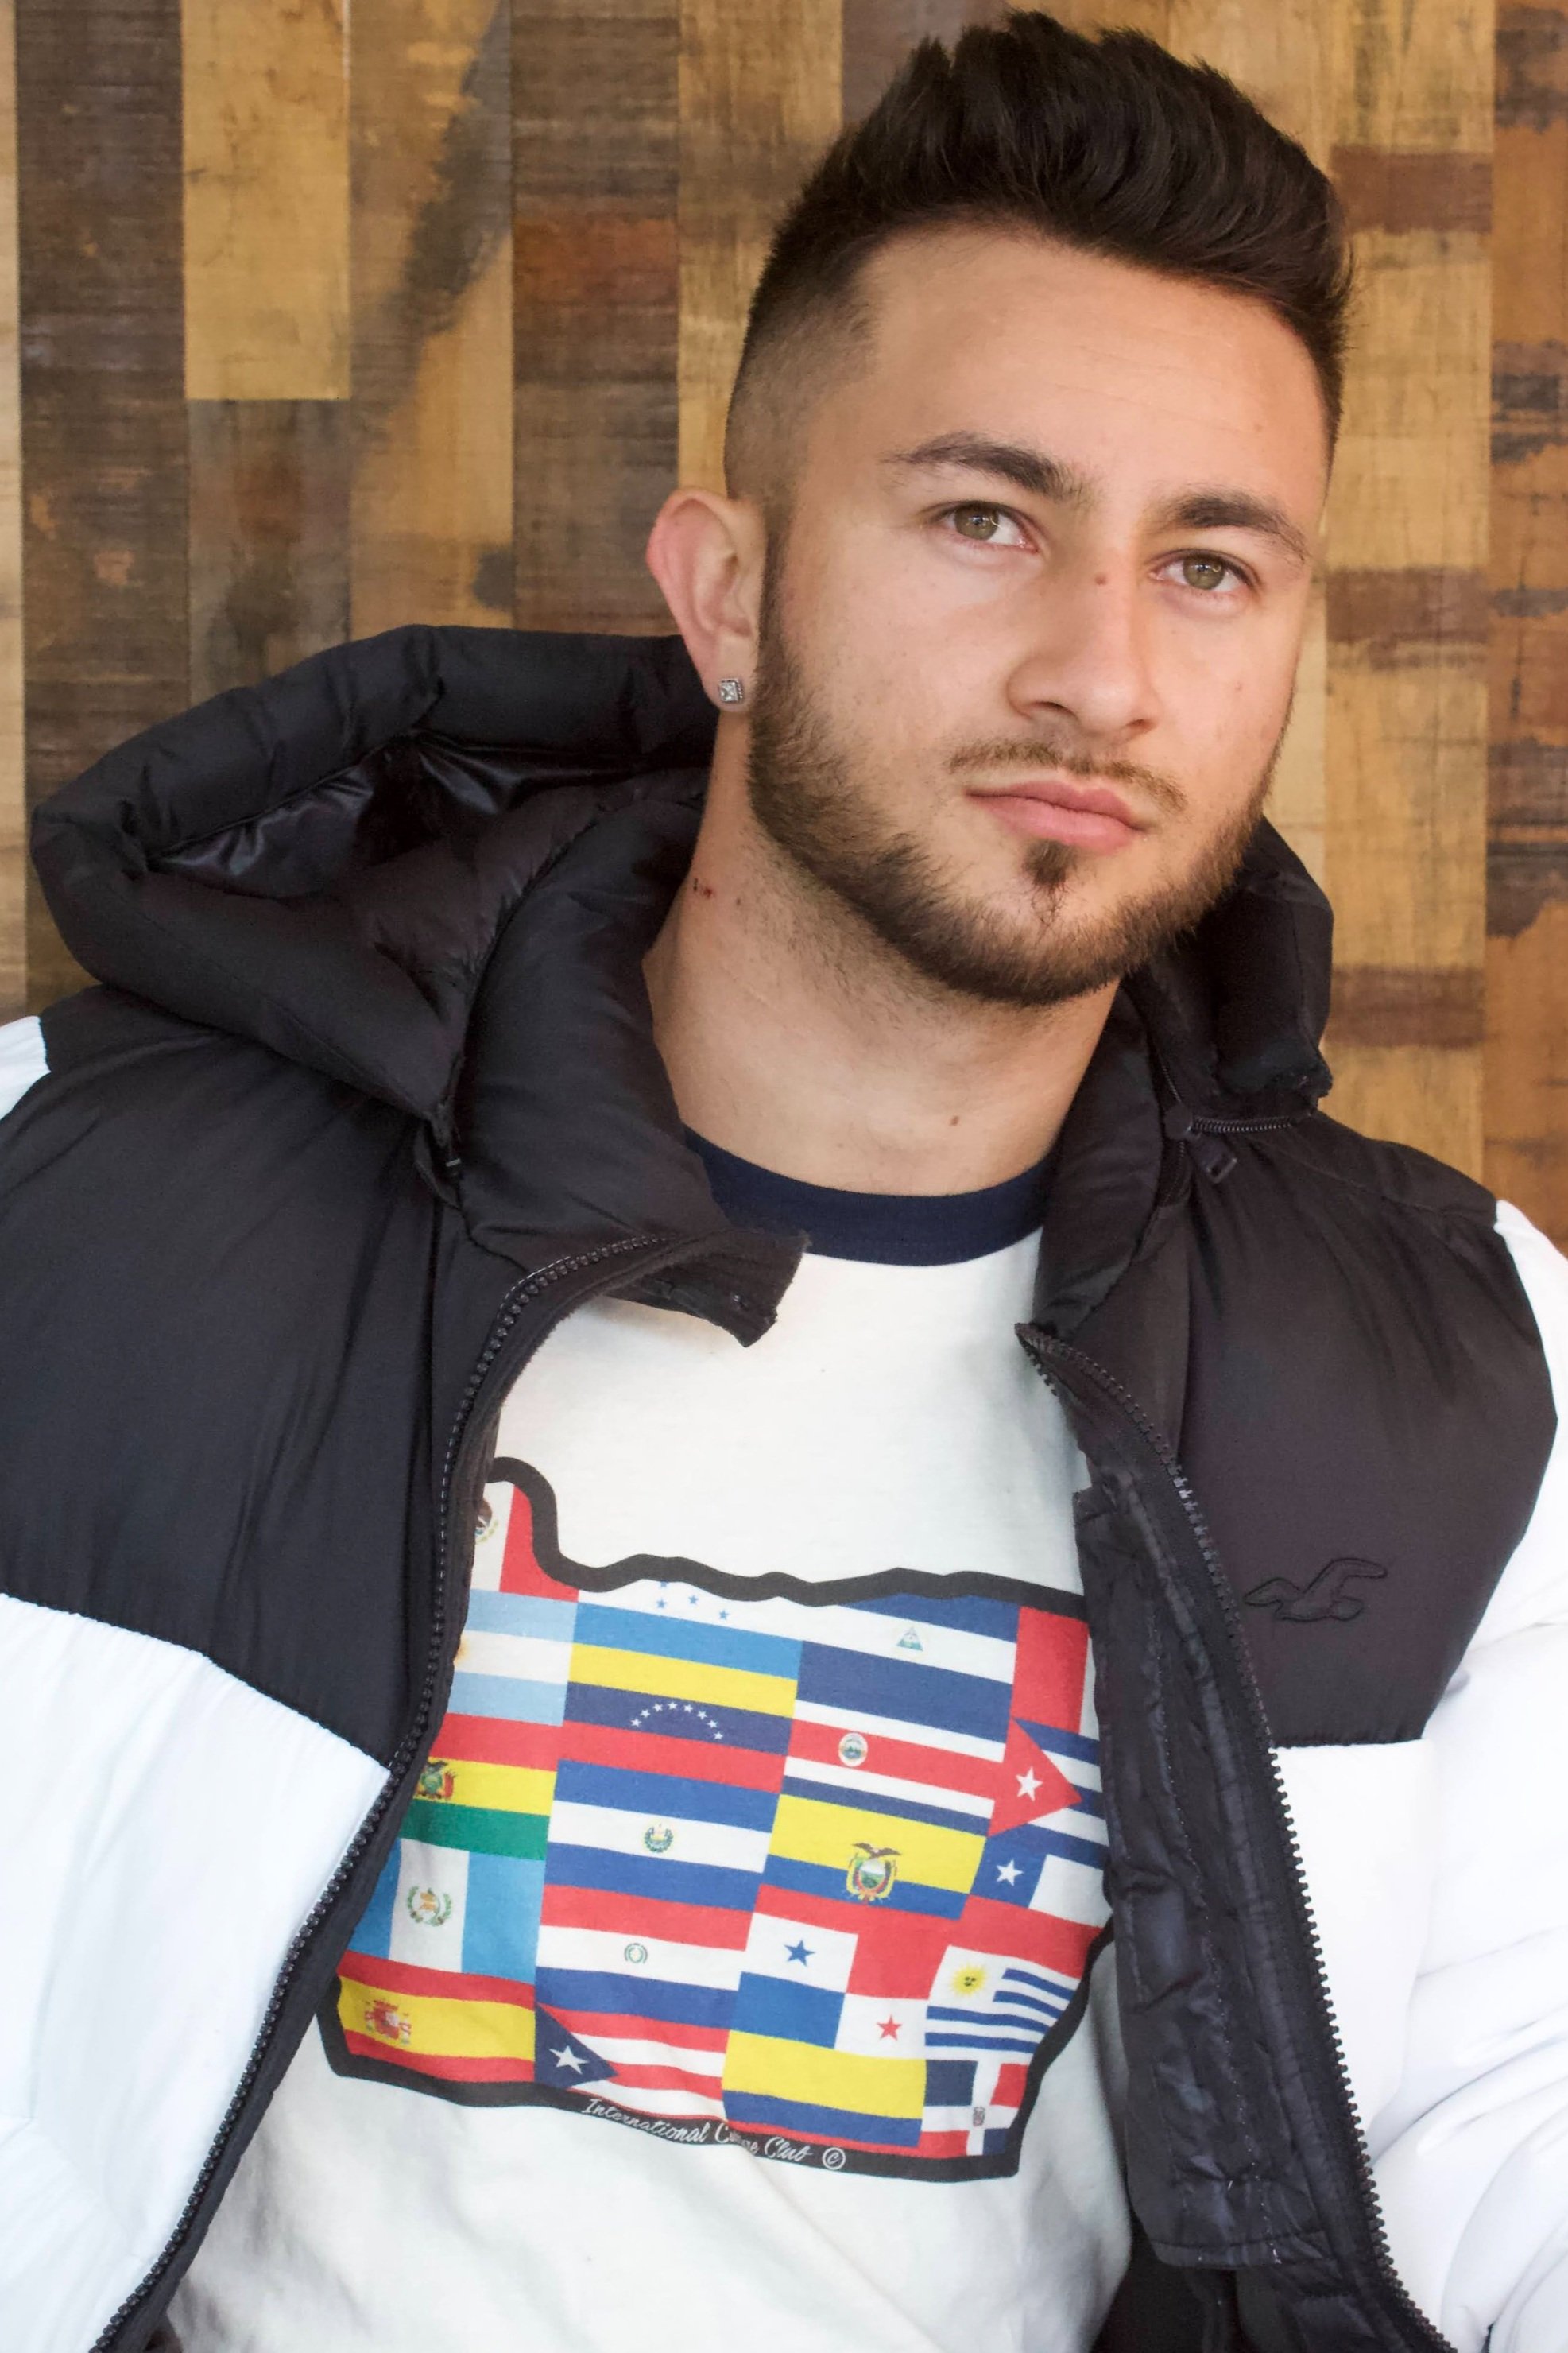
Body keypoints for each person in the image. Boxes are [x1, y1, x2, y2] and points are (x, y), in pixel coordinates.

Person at [2, 14, 1565, 2353]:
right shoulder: (66, 1191)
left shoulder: (1467, 1365)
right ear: (726, 593)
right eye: (986, 520)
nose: (1104, 673)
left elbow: (1517, 2128)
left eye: (1211, 565)